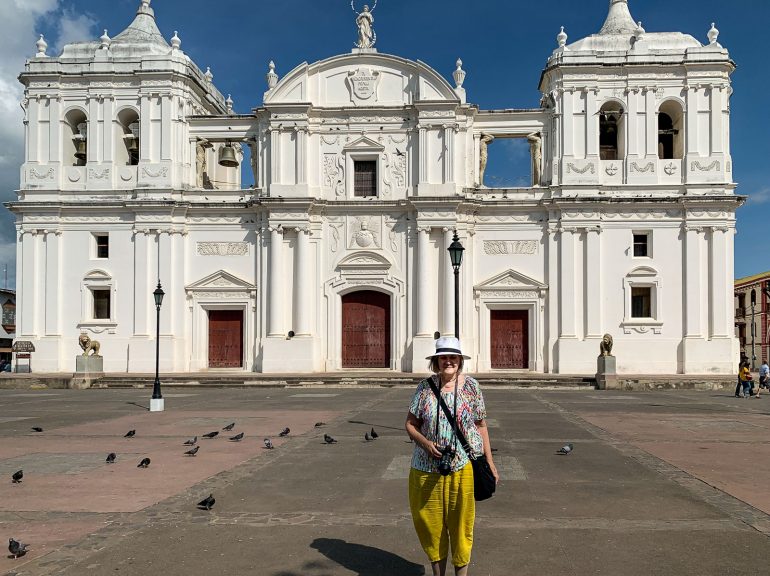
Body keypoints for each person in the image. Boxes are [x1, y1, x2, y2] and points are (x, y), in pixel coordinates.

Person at [405, 336, 499, 576]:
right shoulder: (424, 388)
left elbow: (481, 425)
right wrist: (426, 444)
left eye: (453, 357)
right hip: (426, 468)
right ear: (436, 362)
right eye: (443, 357)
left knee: (461, 525)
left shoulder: (471, 387)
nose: (448, 361)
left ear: (460, 360)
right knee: (431, 525)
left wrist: (490, 462)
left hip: (463, 466)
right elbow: (410, 424)